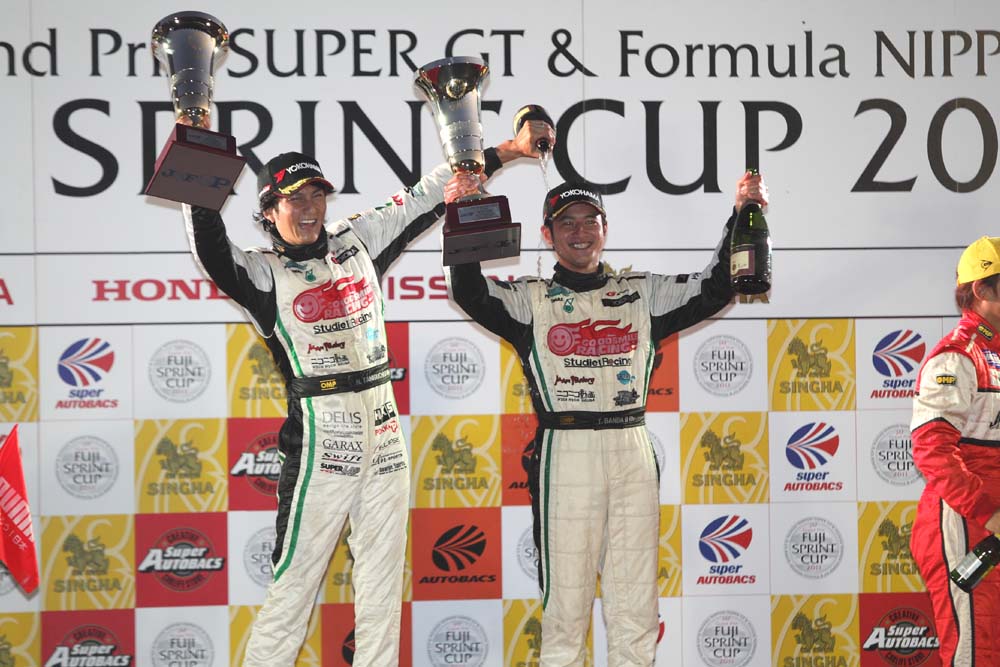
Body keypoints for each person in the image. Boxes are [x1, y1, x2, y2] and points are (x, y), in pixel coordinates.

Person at [182, 122, 549, 666]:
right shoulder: (261, 272)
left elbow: (425, 196)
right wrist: (195, 148)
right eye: (295, 199)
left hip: (384, 425)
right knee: (293, 587)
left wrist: (507, 152)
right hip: (320, 434)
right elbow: (210, 244)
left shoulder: (355, 241)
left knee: (381, 585)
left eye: (317, 195)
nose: (310, 208)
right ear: (268, 212)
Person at [446, 171, 769, 665]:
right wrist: (463, 214)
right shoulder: (530, 299)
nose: (580, 232)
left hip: (630, 447)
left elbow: (715, 287)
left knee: (636, 604)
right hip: (565, 450)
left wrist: (742, 213)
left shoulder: (643, 292)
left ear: (605, 228)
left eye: (590, 221)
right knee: (566, 607)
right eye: (567, 223)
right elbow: (470, 292)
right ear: (547, 234)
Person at [910, 236, 1000, 666]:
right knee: (977, 652)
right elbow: (932, 450)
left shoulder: (995, 353)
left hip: (991, 521)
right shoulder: (957, 356)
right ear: (982, 289)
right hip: (968, 524)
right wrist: (989, 513)